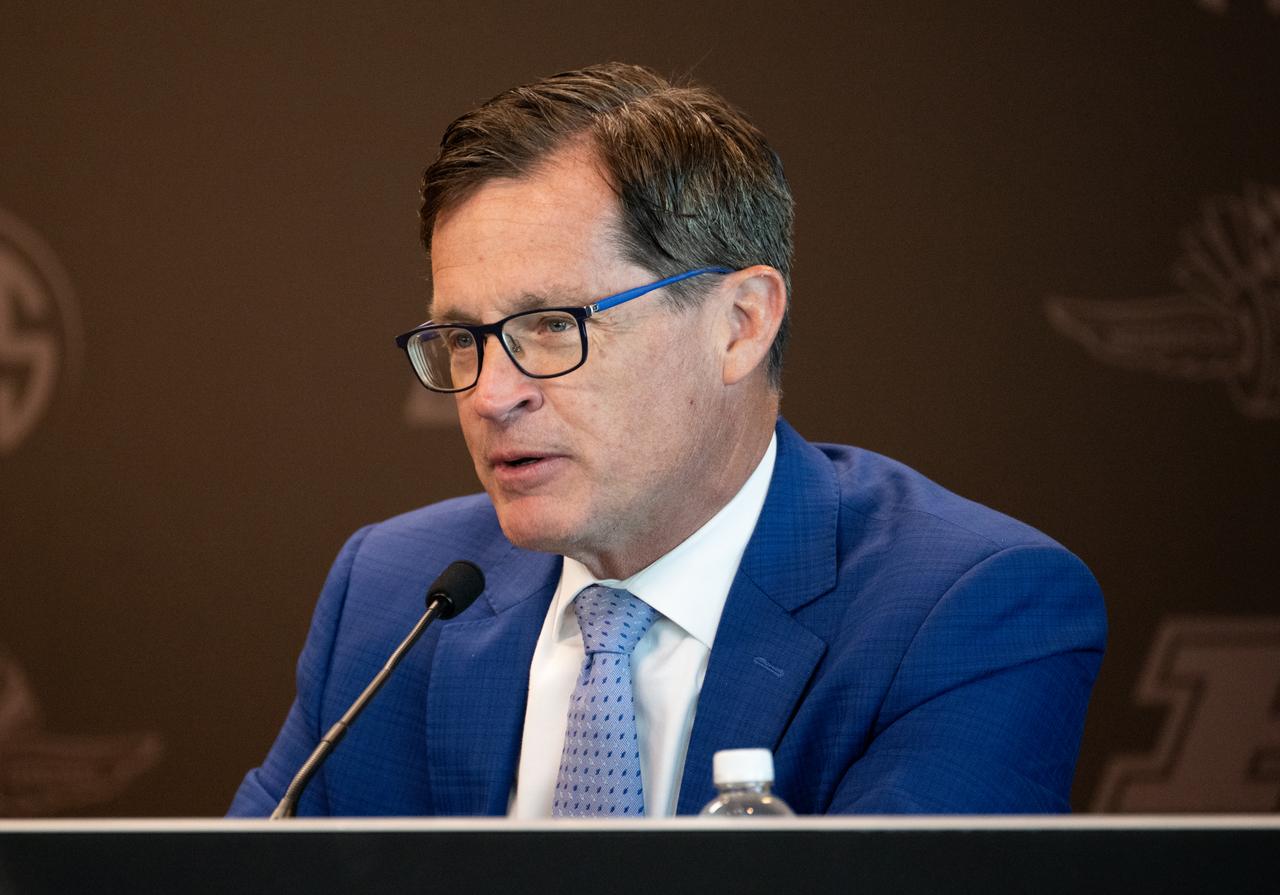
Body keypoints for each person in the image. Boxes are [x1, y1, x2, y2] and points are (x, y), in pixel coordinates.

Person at [229, 63, 1106, 817]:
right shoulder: (390, 596)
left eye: (553, 324)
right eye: (463, 338)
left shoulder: (965, 611)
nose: (492, 395)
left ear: (740, 323)